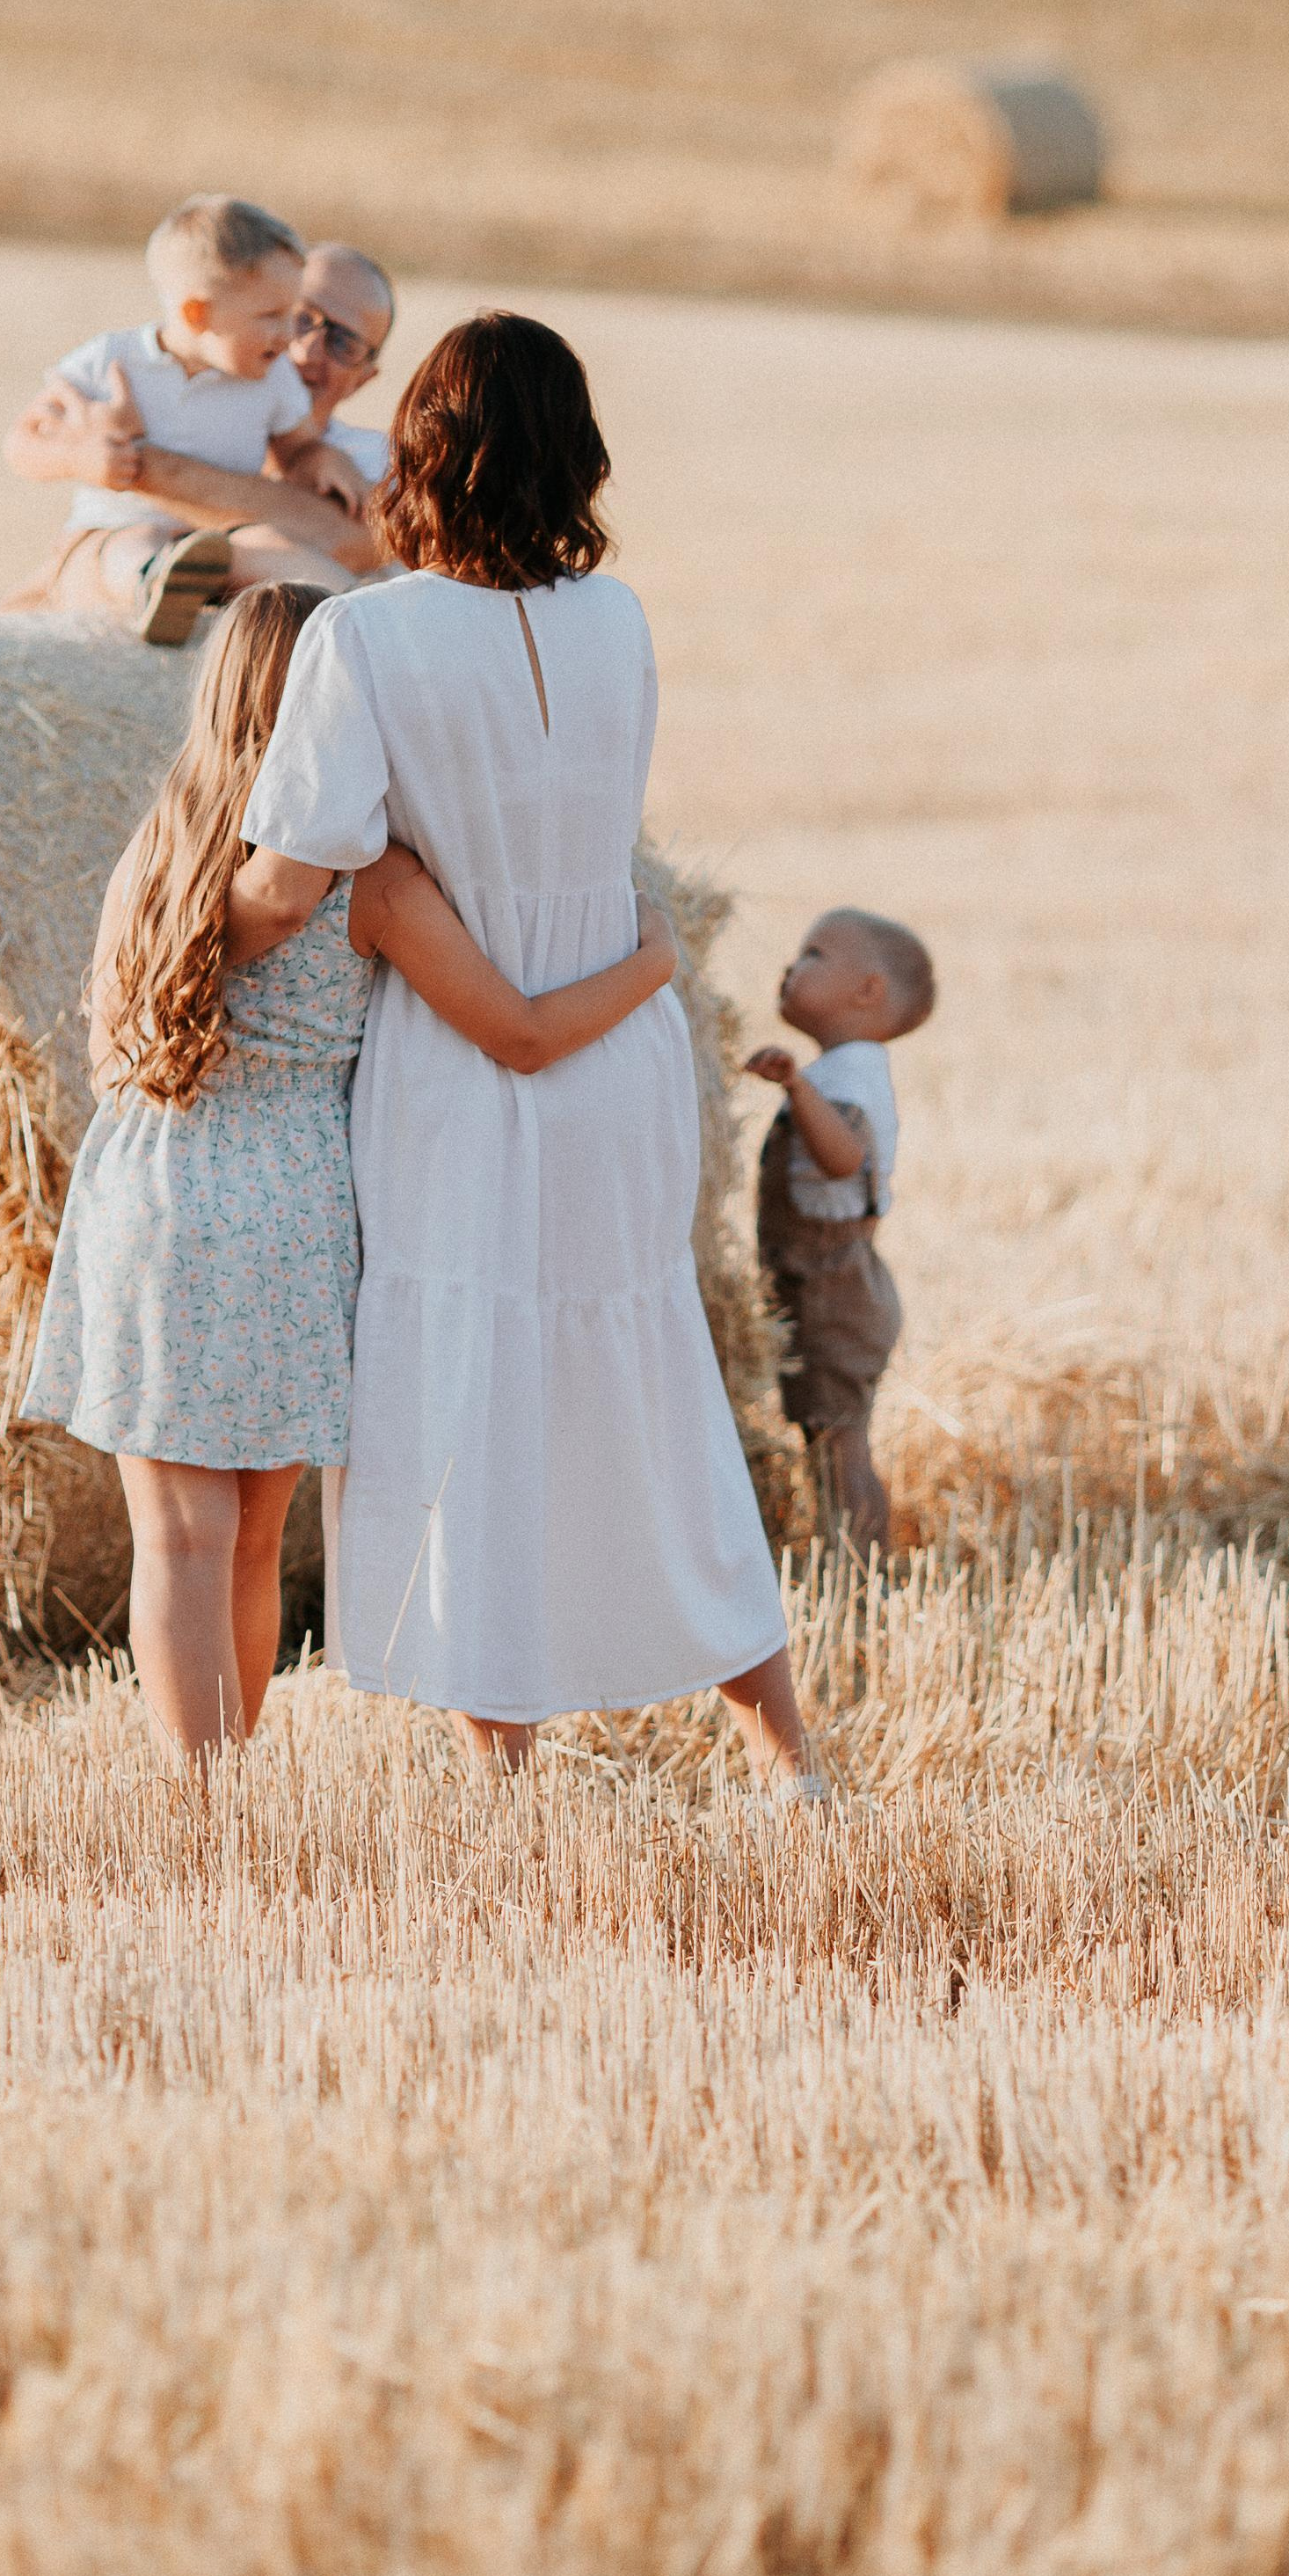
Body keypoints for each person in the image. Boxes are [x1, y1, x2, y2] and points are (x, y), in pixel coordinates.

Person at [228, 313, 819, 1788]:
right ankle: (789, 1757)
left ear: (420, 449)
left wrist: (179, 950)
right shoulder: (617, 621)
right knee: (652, 1386)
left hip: (460, 1064)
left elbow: (297, 872)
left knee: (471, 1384)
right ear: (577, 453)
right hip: (621, 1046)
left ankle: (505, 1774)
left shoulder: (364, 636)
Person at [18, 580, 681, 1763]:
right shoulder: (373, 879)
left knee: (176, 1539)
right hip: (298, 1202)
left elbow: (112, 1043)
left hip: (155, 1190)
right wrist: (652, 966)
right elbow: (518, 1031)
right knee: (257, 1544)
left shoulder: (161, 853)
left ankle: (200, 1809)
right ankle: (224, 1786)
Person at [1, 195, 360, 641]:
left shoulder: (273, 377)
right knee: (132, 551)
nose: (288, 335)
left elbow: (298, 449)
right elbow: (21, 444)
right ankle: (160, 591)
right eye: (270, 316)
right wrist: (81, 460)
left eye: (292, 314)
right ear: (198, 313)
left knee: (281, 552)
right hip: (111, 532)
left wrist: (325, 461)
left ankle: (349, 614)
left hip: (221, 541)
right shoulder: (112, 359)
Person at [744, 909, 936, 1558]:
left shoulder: (845, 1078)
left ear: (867, 992)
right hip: (828, 1280)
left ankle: (863, 1571)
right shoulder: (847, 1068)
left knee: (840, 1443)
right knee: (830, 1439)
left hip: (833, 1287)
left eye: (814, 954)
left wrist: (798, 1089)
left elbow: (845, 1157)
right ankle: (849, 1557)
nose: (791, 967)